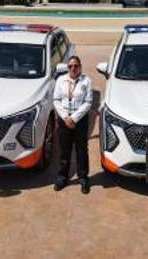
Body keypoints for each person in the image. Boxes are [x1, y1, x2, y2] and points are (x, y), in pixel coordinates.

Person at [53, 56, 93, 193]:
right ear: (67, 68)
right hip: (64, 120)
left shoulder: (86, 81)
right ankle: (62, 178)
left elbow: (88, 102)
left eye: (76, 66)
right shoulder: (60, 80)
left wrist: (74, 118)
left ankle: (83, 178)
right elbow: (56, 100)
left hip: (80, 120)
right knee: (64, 150)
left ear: (80, 67)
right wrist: (65, 117)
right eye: (70, 66)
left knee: (82, 150)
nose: (73, 69)